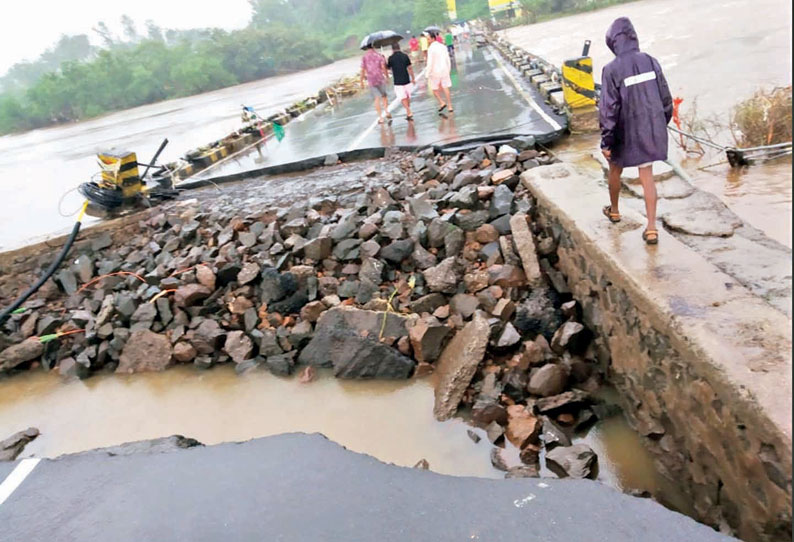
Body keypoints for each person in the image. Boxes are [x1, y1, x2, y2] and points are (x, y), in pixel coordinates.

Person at [599, 17, 672, 245]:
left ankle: (615, 210)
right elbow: (665, 98)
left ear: (613, 42)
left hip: (623, 132)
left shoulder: (610, 69)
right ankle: (651, 228)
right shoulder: (650, 60)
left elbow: (609, 108)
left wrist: (607, 141)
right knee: (647, 177)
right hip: (649, 129)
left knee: (614, 169)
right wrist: (659, 124)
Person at [360, 44, 391, 124]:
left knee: (376, 98)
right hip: (380, 78)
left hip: (371, 80)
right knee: (384, 96)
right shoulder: (379, 56)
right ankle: (387, 112)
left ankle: (381, 118)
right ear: (373, 47)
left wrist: (361, 81)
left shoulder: (364, 57)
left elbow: (362, 70)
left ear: (367, 48)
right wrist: (387, 77)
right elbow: (383, 67)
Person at [426, 30, 454, 115]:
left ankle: (441, 102)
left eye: (428, 39)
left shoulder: (431, 49)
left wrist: (427, 73)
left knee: (434, 89)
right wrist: (448, 68)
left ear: (432, 39)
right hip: (444, 69)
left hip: (435, 72)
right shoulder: (442, 46)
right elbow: (447, 58)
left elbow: (430, 62)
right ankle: (450, 106)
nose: (427, 40)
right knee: (446, 87)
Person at [387, 43, 416, 121]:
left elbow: (388, 69)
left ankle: (408, 111)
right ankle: (408, 111)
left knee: (402, 97)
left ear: (392, 49)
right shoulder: (405, 56)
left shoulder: (391, 58)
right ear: (399, 48)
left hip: (397, 80)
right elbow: (410, 68)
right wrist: (413, 78)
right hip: (406, 79)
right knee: (407, 96)